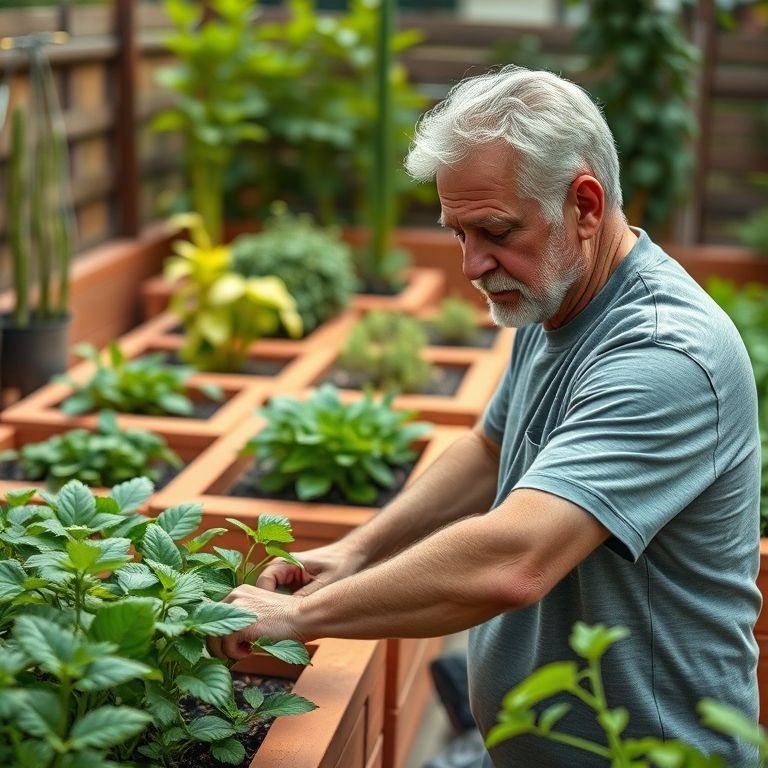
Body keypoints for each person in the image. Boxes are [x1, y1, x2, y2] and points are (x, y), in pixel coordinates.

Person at [207, 66, 762, 766]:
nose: (471, 265)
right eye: (457, 231)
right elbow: (491, 449)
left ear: (584, 206)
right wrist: (355, 551)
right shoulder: (553, 291)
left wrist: (299, 615)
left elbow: (514, 561)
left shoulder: (665, 356)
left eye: (494, 229)